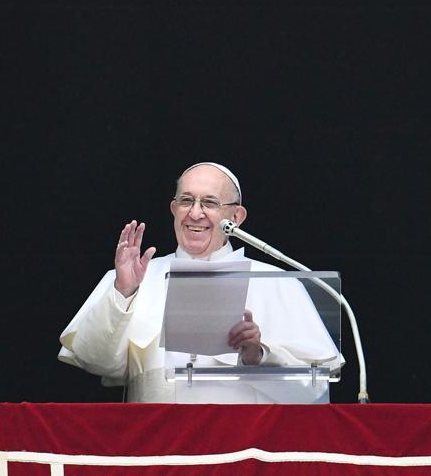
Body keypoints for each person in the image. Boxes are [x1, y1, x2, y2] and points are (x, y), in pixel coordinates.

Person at [58, 162, 340, 402]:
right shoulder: (135, 278)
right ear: (173, 208)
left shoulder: (277, 283)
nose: (195, 213)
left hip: (240, 453)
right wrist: (124, 294)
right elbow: (93, 360)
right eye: (186, 200)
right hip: (155, 451)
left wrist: (259, 355)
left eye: (210, 202)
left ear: (237, 217)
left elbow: (316, 387)